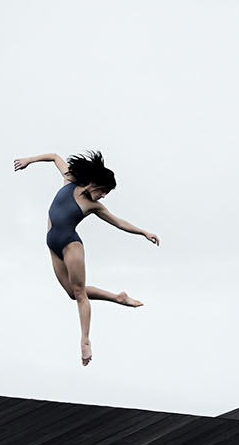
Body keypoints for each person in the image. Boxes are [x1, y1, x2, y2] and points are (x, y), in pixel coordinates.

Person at [13, 150, 159, 366]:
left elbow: (119, 222)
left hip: (70, 246)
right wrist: (29, 160)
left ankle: (85, 341)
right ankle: (119, 298)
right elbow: (54, 157)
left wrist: (143, 232)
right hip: (52, 245)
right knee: (72, 293)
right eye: (104, 191)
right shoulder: (70, 179)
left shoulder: (93, 206)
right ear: (95, 183)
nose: (103, 196)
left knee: (80, 294)